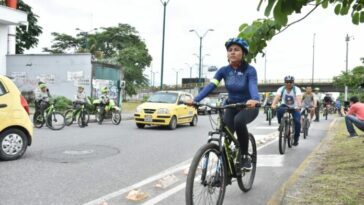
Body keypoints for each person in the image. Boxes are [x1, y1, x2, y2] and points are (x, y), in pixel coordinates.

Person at [186, 37, 260, 170]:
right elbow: (211, 86)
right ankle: (224, 165)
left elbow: (253, 86)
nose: (232, 52)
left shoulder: (250, 70)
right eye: (230, 50)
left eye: (236, 50)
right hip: (231, 105)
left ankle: (244, 156)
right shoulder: (223, 71)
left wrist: (254, 99)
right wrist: (196, 99)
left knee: (238, 121)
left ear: (243, 53)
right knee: (225, 134)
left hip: (248, 106)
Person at [271, 75, 302, 146]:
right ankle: (281, 124)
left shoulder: (296, 89)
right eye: (287, 82)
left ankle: (296, 138)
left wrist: (299, 106)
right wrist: (273, 105)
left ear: (293, 82)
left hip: (295, 107)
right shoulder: (281, 89)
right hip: (284, 106)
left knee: (297, 122)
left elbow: (298, 98)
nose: (288, 83)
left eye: (290, 82)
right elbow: (277, 97)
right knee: (279, 110)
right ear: (285, 82)